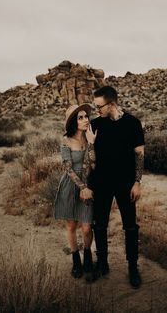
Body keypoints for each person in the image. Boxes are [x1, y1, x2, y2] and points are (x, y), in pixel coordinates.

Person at [90, 86, 145, 289]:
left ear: (111, 104)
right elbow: (91, 160)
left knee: (130, 226)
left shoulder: (133, 124)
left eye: (99, 107)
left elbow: (139, 155)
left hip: (126, 184)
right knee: (100, 226)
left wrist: (137, 182)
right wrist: (89, 144)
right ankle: (102, 263)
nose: (97, 111)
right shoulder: (95, 125)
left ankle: (133, 267)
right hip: (101, 184)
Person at [54, 104, 97, 280]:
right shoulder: (66, 141)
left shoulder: (90, 138)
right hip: (71, 186)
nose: (85, 119)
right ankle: (75, 260)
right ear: (73, 122)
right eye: (80, 117)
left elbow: (92, 164)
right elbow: (68, 168)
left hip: (87, 185)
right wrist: (82, 188)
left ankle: (87, 255)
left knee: (87, 227)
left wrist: (92, 144)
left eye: (86, 116)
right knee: (72, 225)